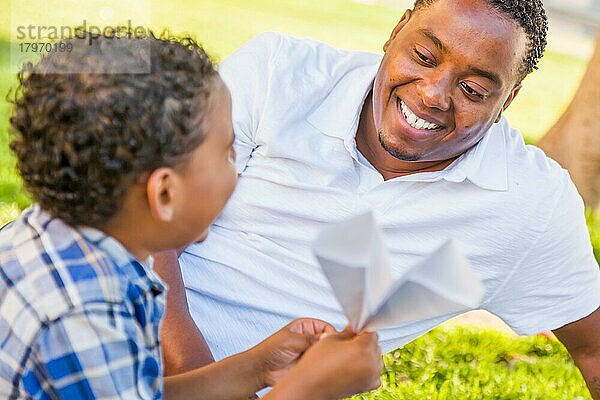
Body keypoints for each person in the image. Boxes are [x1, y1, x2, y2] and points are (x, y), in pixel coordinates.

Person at [155, 0, 600, 398]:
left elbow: (593, 349)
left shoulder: (528, 205)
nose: (432, 94)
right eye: (424, 57)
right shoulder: (279, 74)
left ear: (508, 99)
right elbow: (146, 221)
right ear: (397, 29)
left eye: (474, 91)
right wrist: (200, 378)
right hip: (114, 339)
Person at [0, 31, 383, 399]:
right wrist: (309, 387)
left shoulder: (61, 243)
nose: (239, 168)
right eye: (227, 153)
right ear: (165, 193)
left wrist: (257, 368)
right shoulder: (86, 315)